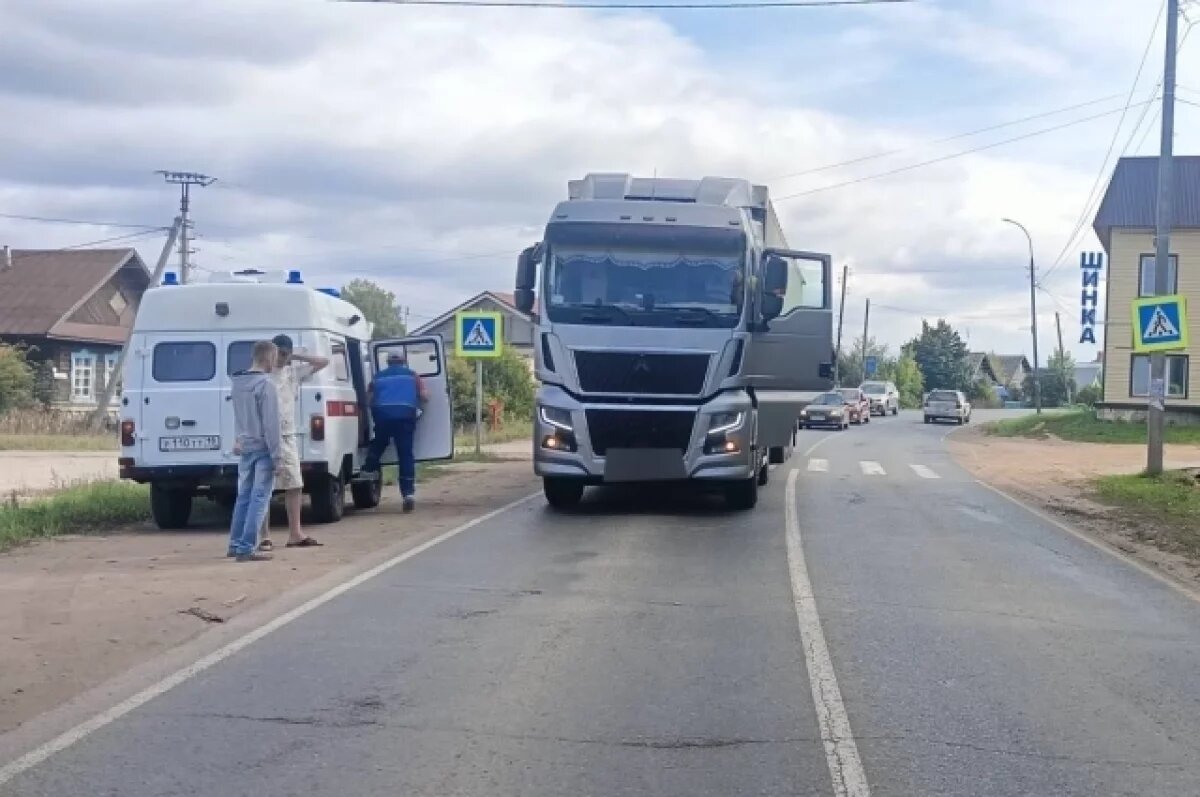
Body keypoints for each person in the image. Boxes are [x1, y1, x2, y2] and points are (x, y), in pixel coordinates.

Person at [259, 334, 329, 551]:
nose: (280, 358)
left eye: (284, 354)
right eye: (278, 353)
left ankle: (295, 533)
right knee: (263, 486)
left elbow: (323, 362)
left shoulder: (292, 373)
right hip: (264, 436)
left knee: (295, 483)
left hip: (287, 435)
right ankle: (264, 536)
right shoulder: (261, 375)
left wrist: (296, 355)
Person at [228, 340, 282, 562]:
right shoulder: (266, 385)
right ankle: (246, 547)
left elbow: (239, 418)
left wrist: (238, 439)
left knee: (243, 496)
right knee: (260, 497)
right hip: (263, 448)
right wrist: (278, 456)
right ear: (268, 357)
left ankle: (234, 542)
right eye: (275, 358)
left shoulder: (237, 383)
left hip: (246, 446)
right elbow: (271, 424)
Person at [364, 350, 428, 512]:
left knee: (379, 443)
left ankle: (368, 469)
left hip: (383, 416)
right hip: (405, 416)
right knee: (405, 453)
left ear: (388, 362)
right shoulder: (413, 376)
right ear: (403, 361)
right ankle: (408, 494)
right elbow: (424, 395)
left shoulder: (378, 377)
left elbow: (369, 398)